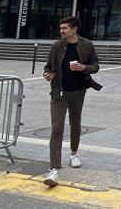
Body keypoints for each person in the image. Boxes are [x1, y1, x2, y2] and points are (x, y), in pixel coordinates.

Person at [41, 16, 100, 186]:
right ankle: (54, 168)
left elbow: (96, 66)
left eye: (64, 28)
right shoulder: (57, 46)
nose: (61, 31)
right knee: (57, 127)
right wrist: (48, 74)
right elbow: (48, 67)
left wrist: (84, 68)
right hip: (58, 92)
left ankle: (74, 154)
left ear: (74, 29)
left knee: (76, 124)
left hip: (78, 91)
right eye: (60, 28)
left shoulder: (87, 45)